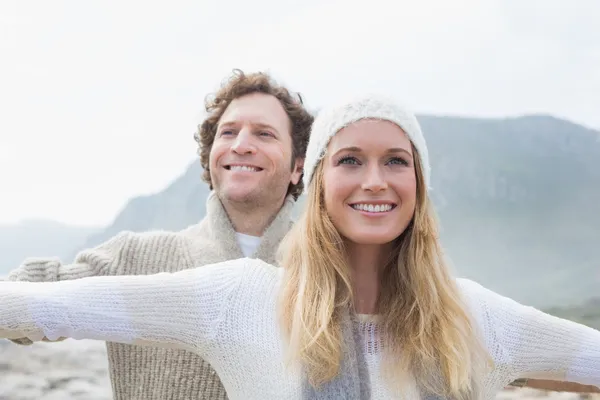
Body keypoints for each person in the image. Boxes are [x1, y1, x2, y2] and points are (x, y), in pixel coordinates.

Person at [3, 94, 598, 399]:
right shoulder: (239, 299)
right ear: (315, 187)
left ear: (419, 186)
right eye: (348, 160)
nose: (374, 180)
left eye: (396, 161)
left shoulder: (474, 319)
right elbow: (37, 308)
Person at [4, 69, 314, 400]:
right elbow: (31, 300)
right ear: (210, 155)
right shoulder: (134, 256)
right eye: (228, 132)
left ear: (299, 166)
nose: (240, 145)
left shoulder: (330, 268)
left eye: (264, 134)